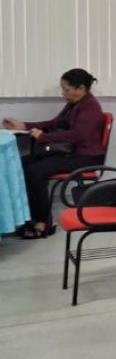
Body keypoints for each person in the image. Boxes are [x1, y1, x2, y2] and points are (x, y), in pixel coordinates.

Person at [2, 68, 106, 239]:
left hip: (85, 156)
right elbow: (53, 123)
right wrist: (24, 126)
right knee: (23, 163)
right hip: (71, 152)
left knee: (36, 171)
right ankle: (28, 217)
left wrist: (44, 137)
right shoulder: (74, 104)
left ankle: (43, 223)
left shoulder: (90, 107)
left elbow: (79, 135)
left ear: (80, 88)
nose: (64, 93)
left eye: (66, 89)